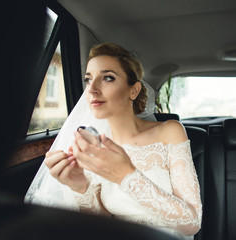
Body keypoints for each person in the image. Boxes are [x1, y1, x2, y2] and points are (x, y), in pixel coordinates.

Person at [25, 43, 202, 239]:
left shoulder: (170, 131)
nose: (91, 89)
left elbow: (192, 223)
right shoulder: (90, 145)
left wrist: (126, 176)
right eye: (88, 79)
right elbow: (101, 223)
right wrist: (80, 187)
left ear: (133, 91)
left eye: (107, 78)